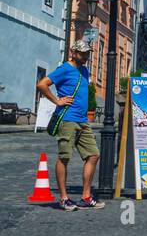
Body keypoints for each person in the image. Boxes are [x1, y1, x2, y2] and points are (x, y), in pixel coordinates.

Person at [37, 40, 105, 211]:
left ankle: (86, 197)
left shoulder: (83, 70)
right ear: (73, 52)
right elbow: (42, 84)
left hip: (83, 120)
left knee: (93, 155)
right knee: (64, 157)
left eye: (88, 53)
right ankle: (64, 198)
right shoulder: (64, 69)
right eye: (83, 53)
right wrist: (57, 101)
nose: (86, 56)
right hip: (67, 119)